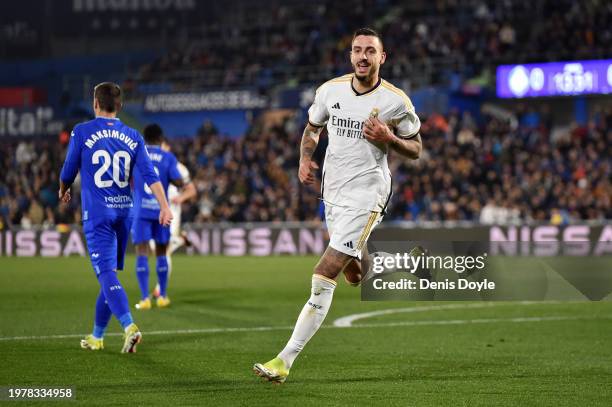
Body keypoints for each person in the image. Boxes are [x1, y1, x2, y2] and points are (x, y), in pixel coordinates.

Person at [253, 28, 422, 383]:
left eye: (370, 51)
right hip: (333, 193)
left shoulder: (396, 101)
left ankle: (284, 360)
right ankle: (376, 262)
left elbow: (416, 148)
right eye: (357, 50)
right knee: (353, 274)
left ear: (382, 57)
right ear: (350, 55)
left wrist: (389, 138)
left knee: (324, 271)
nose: (363, 56)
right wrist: (304, 159)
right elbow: (313, 127)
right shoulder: (330, 91)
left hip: (368, 194)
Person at [59, 82, 172, 353]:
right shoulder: (133, 135)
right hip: (125, 213)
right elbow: (149, 174)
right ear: (120, 106)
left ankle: (129, 326)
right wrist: (164, 206)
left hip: (98, 214)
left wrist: (63, 190)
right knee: (109, 277)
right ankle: (97, 336)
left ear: (95, 103)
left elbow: (68, 169)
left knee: (106, 274)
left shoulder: (82, 131)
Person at [131, 125, 187, 310]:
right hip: (161, 211)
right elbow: (179, 182)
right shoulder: (168, 157)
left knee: (141, 251)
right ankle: (162, 296)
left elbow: (127, 177)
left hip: (140, 211)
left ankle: (145, 298)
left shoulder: (136, 153)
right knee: (162, 252)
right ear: (161, 139)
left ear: (144, 138)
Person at [151, 139, 197, 299]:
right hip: (153, 210)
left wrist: (181, 198)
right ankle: (179, 239)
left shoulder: (178, 167)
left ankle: (159, 289)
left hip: (171, 211)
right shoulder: (149, 161)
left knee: (164, 251)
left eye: (161, 146)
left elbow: (192, 190)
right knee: (155, 248)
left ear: (167, 147)